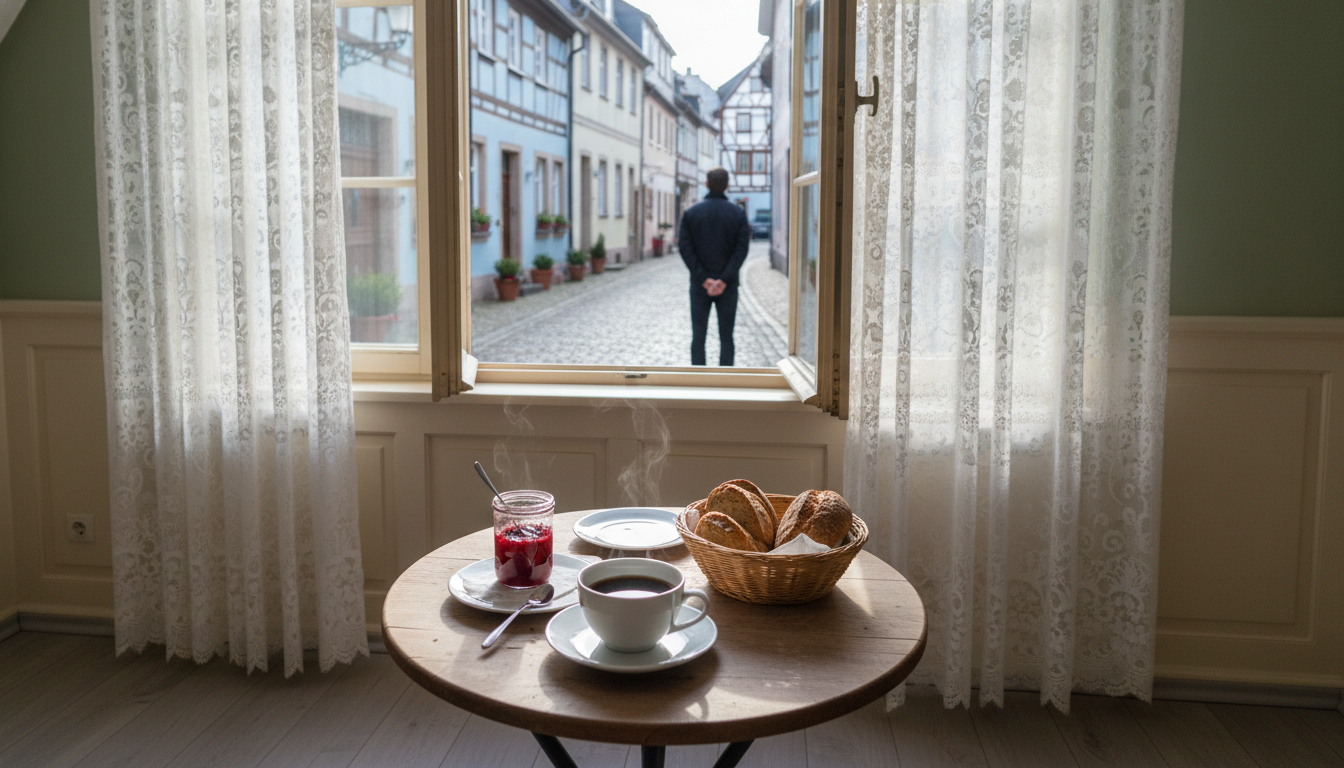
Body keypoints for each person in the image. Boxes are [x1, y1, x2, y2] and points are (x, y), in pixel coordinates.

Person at [678, 167, 751, 366]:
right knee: (727, 337)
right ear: (727, 185)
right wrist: (724, 279)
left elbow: (685, 249)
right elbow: (741, 250)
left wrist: (703, 279)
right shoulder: (737, 213)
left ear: (707, 184)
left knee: (698, 336)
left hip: (699, 286)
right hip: (727, 287)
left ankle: (698, 382)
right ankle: (726, 383)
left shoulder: (691, 213)